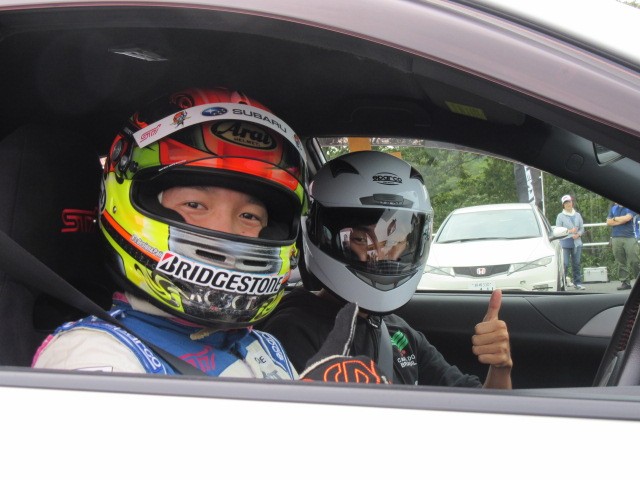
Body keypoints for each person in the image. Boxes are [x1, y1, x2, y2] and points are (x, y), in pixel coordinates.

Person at [32, 87, 308, 378]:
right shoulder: (92, 353)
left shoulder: (265, 347)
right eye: (195, 204)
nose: (224, 229)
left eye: (249, 216)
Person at [263, 151, 512, 388]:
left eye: (396, 240)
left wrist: (500, 368)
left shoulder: (397, 332)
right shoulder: (292, 331)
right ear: (325, 237)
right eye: (361, 239)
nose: (382, 254)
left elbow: (483, 405)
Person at [606, 202, 640, 290]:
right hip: (616, 237)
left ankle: (638, 280)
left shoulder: (631, 207)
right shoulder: (613, 208)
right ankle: (625, 282)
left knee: (634, 260)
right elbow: (608, 222)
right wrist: (621, 220)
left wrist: (615, 219)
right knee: (620, 261)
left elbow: (627, 218)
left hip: (630, 237)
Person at [555, 195, 585, 290]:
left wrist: (578, 234)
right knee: (565, 263)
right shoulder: (560, 216)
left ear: (572, 203)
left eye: (569, 202)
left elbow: (582, 228)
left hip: (577, 242)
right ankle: (562, 283)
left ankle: (578, 283)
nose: (568, 204)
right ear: (563, 205)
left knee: (576, 263)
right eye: (566, 203)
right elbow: (558, 230)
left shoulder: (578, 215)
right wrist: (569, 231)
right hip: (565, 242)